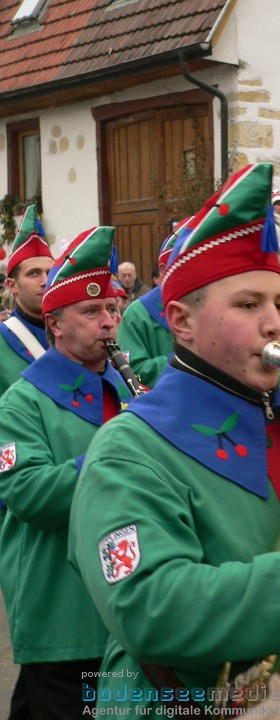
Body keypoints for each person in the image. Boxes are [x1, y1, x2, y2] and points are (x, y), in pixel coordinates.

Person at [69, 163, 280, 714]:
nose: (276, 324)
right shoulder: (131, 448)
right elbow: (147, 607)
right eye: (248, 305)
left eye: (279, 304)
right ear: (180, 322)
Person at [0, 226, 134, 719]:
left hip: (126, 599)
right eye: (91, 311)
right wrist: (115, 455)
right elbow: (30, 495)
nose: (108, 322)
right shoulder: (23, 401)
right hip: (63, 607)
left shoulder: (124, 386)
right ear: (55, 323)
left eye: (112, 310)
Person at [117, 220, 192, 387]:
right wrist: (187, 360)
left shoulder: (213, 308)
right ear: (164, 271)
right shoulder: (137, 314)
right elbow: (132, 371)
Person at [0, 205, 53, 397]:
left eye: (50, 272)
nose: (45, 282)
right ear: (12, 285)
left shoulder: (72, 334)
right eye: (33, 274)